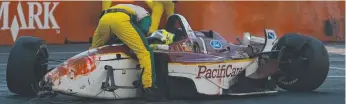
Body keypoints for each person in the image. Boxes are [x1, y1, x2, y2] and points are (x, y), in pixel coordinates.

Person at [89, 4, 160, 101]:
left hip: (104, 19)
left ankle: (86, 76)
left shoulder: (128, 7)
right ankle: (148, 87)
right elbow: (143, 32)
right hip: (121, 20)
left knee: (94, 51)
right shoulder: (145, 15)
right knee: (145, 52)